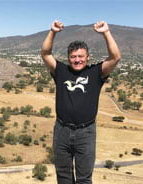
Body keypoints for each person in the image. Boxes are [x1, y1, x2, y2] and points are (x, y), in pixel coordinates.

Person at [41, 20, 121, 184]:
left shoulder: (96, 73)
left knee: (84, 179)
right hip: (61, 130)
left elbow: (115, 57)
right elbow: (45, 54)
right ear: (68, 58)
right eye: (73, 56)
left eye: (80, 56)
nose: (77, 60)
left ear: (87, 57)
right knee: (63, 177)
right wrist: (53, 32)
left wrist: (106, 32)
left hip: (85, 133)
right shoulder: (61, 71)